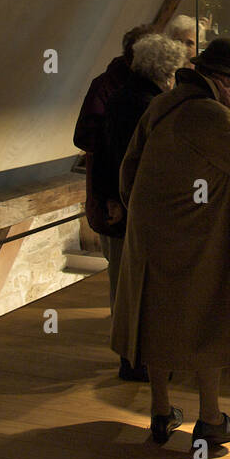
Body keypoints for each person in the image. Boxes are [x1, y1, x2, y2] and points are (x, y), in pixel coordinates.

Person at [112, 36, 230, 448]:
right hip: (198, 237)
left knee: (156, 321)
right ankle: (211, 418)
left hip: (151, 236)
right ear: (222, 80)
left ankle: (162, 413)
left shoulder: (161, 104)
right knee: (208, 321)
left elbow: (128, 173)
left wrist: (153, 216)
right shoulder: (210, 114)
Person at [101, 33, 187, 378]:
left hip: (126, 202)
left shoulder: (125, 97)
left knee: (128, 285)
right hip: (140, 205)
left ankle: (135, 358)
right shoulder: (149, 103)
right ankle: (138, 361)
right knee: (139, 288)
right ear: (165, 68)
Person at [73, 22, 155, 309]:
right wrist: (110, 196)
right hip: (114, 198)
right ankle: (125, 344)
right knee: (122, 276)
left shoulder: (135, 87)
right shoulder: (109, 88)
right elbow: (89, 139)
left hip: (128, 195)